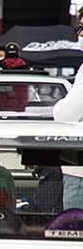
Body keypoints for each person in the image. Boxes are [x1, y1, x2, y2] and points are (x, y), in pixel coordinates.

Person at [50, 14, 83, 209]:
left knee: (75, 234)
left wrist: (58, 106)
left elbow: (64, 116)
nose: (80, 34)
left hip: (80, 168)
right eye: (78, 28)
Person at [0, 42, 32, 111]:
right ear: (18, 53)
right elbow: (30, 89)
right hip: (21, 106)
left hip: (3, 106)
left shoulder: (0, 67)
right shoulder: (26, 67)